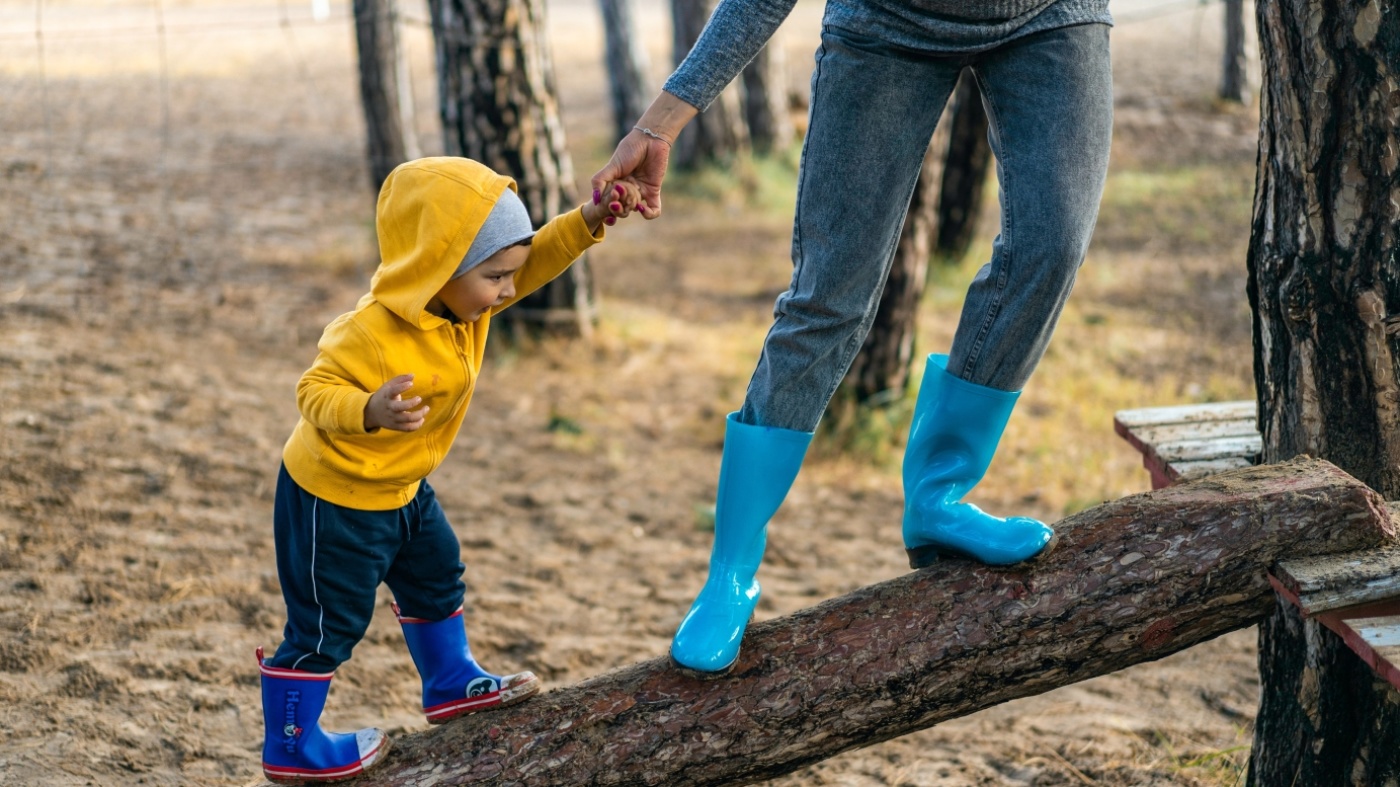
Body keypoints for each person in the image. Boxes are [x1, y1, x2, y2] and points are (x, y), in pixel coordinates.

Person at [591, 0, 1114, 674]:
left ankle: (939, 496)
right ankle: (730, 574)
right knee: (828, 300)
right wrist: (661, 124)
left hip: (1050, 17)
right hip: (886, 26)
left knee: (1051, 248)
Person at [256, 156, 641, 783]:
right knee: (330, 623)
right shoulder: (370, 332)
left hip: (403, 488)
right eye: (495, 277)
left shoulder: (468, 304)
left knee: (437, 574)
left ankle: (450, 681)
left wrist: (589, 219)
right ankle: (291, 743)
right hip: (336, 498)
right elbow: (312, 390)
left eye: (507, 276)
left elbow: (534, 259)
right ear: (437, 267)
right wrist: (368, 409)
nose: (508, 290)